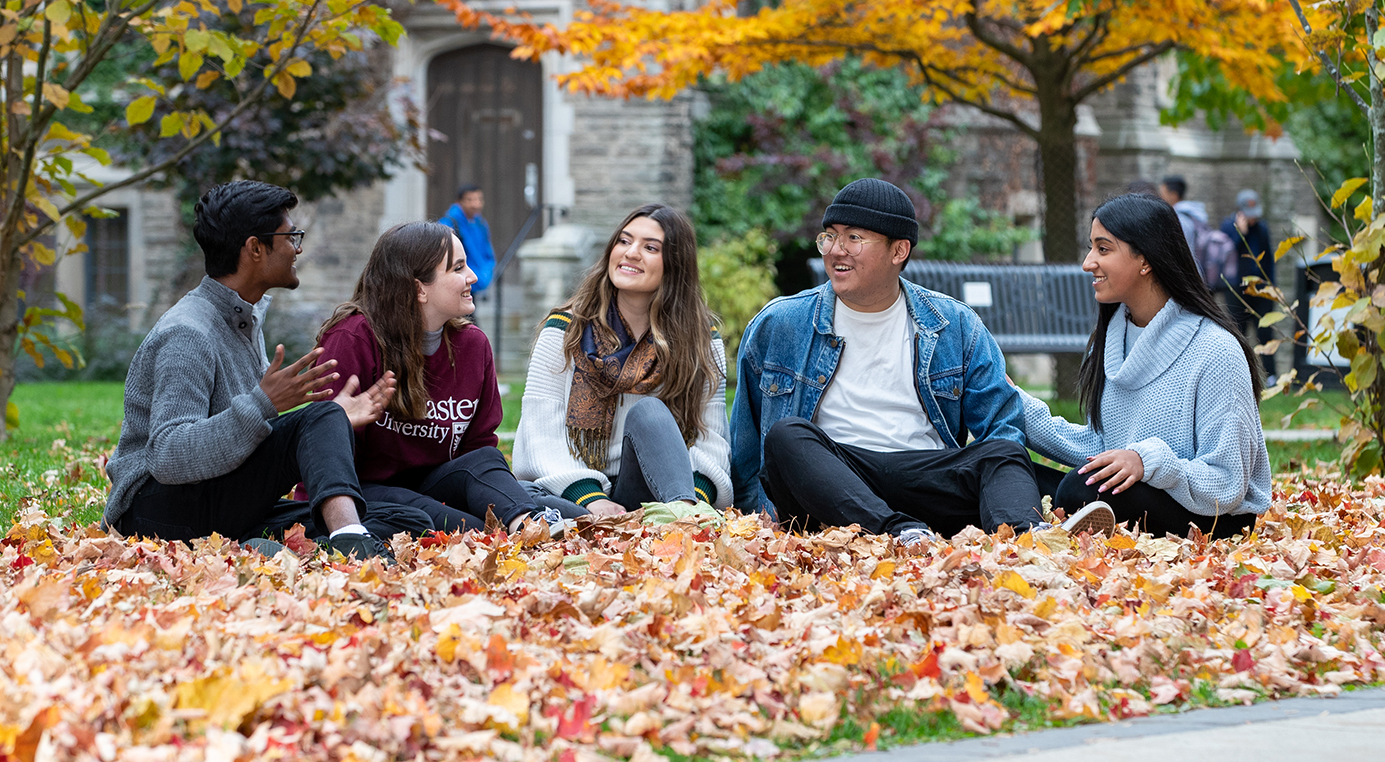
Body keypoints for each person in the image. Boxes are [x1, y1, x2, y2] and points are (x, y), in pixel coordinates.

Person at [731, 178, 1083, 545]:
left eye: (854, 238)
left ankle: (1025, 540)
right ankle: (899, 534)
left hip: (925, 477)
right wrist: (748, 521)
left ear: (898, 250)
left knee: (1004, 450)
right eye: (830, 236)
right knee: (786, 437)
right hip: (830, 486)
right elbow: (746, 444)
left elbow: (1001, 424)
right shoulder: (781, 323)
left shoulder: (954, 325)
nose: (836, 250)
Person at [103, 180, 405, 561]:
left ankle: (266, 547)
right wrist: (265, 404)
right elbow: (167, 455)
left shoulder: (243, 319)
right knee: (322, 423)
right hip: (156, 513)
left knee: (398, 517)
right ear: (255, 249)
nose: (298, 248)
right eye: (290, 236)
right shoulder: (187, 332)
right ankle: (348, 543)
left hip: (217, 502)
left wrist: (328, 422)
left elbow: (253, 434)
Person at [1020, 193, 1271, 538]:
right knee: (1004, 466)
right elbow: (1102, 450)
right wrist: (1014, 405)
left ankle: (1067, 521)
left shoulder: (1216, 350)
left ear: (1145, 260)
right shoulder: (1110, 340)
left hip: (1214, 516)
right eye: (1091, 248)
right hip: (1136, 492)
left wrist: (1148, 461)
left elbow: (1227, 483)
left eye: (1103, 249)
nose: (1088, 262)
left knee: (1079, 490)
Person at [313, 221, 587, 535]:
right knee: (472, 529)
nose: (472, 276)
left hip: (435, 485)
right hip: (363, 492)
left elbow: (478, 449)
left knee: (486, 463)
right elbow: (323, 452)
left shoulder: (473, 346)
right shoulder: (352, 339)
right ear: (419, 289)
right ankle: (517, 528)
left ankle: (531, 525)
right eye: (457, 268)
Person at [514, 204, 731, 514]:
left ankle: (684, 519)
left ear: (675, 264)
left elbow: (712, 441)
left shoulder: (700, 340)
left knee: (650, 413)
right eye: (624, 241)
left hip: (656, 491)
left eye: (650, 247)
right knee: (522, 496)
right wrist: (593, 499)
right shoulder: (564, 330)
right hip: (576, 494)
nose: (631, 253)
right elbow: (540, 434)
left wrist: (690, 497)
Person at [1221, 190, 1276, 382]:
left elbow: (1268, 259)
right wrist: (1240, 234)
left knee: (1265, 331)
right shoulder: (1228, 227)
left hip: (1260, 288)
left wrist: (1271, 286)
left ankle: (1271, 375)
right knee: (1238, 332)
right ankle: (1239, 374)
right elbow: (1227, 256)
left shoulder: (1262, 229)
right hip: (1237, 289)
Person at [438, 183, 497, 297]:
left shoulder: (480, 223)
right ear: (459, 202)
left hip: (476, 279)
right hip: (458, 283)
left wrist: (487, 271)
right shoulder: (448, 224)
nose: (476, 204)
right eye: (470, 200)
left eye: (479, 199)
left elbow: (487, 251)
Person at [1159, 175, 1208, 269]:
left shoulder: (1179, 219)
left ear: (1173, 195)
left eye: (1163, 194)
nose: (1160, 198)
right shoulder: (1195, 214)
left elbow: (1180, 252)